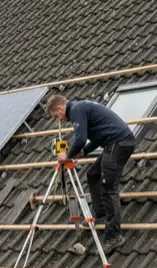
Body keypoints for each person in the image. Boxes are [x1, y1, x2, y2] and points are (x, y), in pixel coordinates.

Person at [46, 94, 136, 253]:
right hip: (115, 143)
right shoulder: (81, 107)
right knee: (93, 174)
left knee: (109, 189)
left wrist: (67, 156)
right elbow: (97, 137)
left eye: (57, 115)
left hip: (119, 143)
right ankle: (100, 213)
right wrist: (84, 152)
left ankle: (114, 236)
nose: (59, 119)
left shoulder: (76, 110)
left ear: (60, 108)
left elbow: (80, 139)